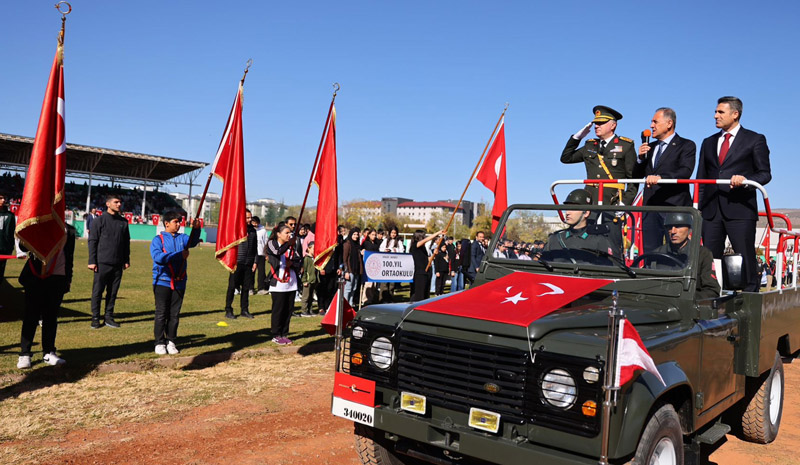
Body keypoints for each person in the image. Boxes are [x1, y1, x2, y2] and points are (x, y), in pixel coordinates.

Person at [697, 96, 771, 292]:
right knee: (710, 260)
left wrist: (745, 180)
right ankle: (710, 298)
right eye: (715, 111)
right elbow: (701, 179)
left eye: (720, 112)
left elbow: (765, 174)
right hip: (711, 211)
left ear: (735, 114)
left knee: (745, 257)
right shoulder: (708, 142)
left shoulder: (755, 139)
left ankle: (749, 301)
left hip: (740, 210)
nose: (715, 116)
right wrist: (699, 209)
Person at [634, 108, 697, 252]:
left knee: (676, 250)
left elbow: (685, 171)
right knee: (650, 250)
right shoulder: (649, 147)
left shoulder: (686, 145)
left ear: (669, 123)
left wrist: (661, 178)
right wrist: (640, 158)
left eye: (655, 122)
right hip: (651, 208)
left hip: (674, 206)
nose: (651, 126)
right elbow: (636, 176)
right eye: (651, 122)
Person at [17, 224, 75, 369]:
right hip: (36, 277)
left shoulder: (70, 230)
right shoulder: (37, 225)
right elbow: (24, 247)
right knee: (31, 316)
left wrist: (68, 279)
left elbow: (69, 256)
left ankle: (49, 352)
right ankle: (25, 353)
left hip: (57, 278)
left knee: (51, 317)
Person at [561, 106, 638, 206]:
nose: (596, 126)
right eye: (596, 123)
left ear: (613, 125)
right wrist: (577, 137)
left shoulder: (626, 146)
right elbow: (566, 158)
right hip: (590, 201)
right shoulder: (590, 145)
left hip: (613, 202)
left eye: (601, 123)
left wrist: (624, 204)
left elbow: (633, 178)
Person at [150, 213, 202, 355]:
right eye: (175, 221)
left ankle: (171, 341)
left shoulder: (182, 238)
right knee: (161, 313)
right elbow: (158, 257)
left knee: (174, 314)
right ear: (166, 223)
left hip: (179, 282)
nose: (178, 224)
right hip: (162, 281)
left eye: (179, 222)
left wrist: (196, 229)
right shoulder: (158, 239)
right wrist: (178, 256)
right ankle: (159, 342)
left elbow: (192, 241)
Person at [649, 213, 721, 300]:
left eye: (678, 226)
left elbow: (712, 291)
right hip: (660, 303)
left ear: (689, 230)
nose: (673, 231)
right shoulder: (656, 254)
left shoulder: (702, 254)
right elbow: (646, 284)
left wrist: (688, 298)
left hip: (688, 305)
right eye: (669, 227)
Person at [88, 194, 131, 329]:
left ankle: (108, 317)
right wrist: (92, 261)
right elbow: (92, 241)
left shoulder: (123, 222)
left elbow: (126, 243)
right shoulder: (99, 221)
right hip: (102, 263)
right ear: (108, 204)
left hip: (118, 263)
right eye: (116, 202)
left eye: (120, 202)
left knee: (113, 292)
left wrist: (126, 260)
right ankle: (95, 318)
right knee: (98, 291)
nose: (119, 204)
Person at [543, 189, 619, 261]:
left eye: (573, 208)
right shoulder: (555, 239)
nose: (568, 213)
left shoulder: (599, 241)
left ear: (586, 213)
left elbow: (607, 269)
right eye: (567, 208)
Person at [267, 224, 302, 345]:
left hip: (291, 282)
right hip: (278, 283)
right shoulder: (272, 243)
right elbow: (277, 252)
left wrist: (291, 264)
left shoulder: (293, 246)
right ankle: (276, 334)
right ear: (278, 234)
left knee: (288, 309)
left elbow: (298, 261)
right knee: (279, 309)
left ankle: (284, 333)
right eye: (287, 233)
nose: (289, 235)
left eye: (290, 233)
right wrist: (289, 244)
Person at [224, 209, 257, 319]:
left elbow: (255, 248)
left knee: (246, 288)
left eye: (250, 217)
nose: (249, 220)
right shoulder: (236, 230)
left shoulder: (253, 231)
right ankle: (228, 309)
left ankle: (244, 309)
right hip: (237, 262)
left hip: (248, 263)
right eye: (247, 217)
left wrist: (255, 261)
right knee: (232, 286)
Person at [410, 229, 445, 302]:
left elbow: (427, 259)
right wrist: (438, 233)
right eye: (423, 237)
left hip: (426, 272)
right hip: (420, 274)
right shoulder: (415, 246)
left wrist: (434, 255)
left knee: (426, 295)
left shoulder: (423, 248)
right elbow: (426, 240)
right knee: (419, 295)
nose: (424, 238)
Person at [342, 227, 363, 306]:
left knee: (353, 289)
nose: (356, 236)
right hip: (350, 270)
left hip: (356, 270)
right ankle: (345, 305)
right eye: (354, 234)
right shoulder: (347, 244)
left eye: (357, 234)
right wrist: (346, 271)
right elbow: (344, 259)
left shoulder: (357, 245)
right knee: (348, 289)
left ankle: (350, 305)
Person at [360, 228, 381, 305]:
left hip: (375, 266)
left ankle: (371, 299)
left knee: (374, 285)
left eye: (375, 235)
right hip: (367, 266)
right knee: (368, 284)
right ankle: (365, 300)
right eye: (372, 234)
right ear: (369, 235)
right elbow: (361, 250)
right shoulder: (366, 243)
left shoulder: (376, 243)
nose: (374, 236)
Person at [300, 242, 318, 317]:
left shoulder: (314, 259)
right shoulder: (306, 259)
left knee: (311, 296)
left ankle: (310, 310)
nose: (315, 250)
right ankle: (304, 311)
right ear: (309, 248)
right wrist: (304, 280)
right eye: (313, 249)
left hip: (313, 280)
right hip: (307, 281)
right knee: (305, 297)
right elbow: (304, 271)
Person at [0, 194, 15, 282]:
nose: (3, 200)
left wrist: (10, 248)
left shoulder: (10, 216)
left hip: (3, 249)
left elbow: (12, 233)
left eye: (4, 198)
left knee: (1, 273)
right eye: (0, 198)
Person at [254, 216, 269, 295]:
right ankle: (250, 288)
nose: (255, 224)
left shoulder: (263, 231)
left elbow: (266, 242)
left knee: (261, 272)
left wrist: (266, 253)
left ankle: (261, 288)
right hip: (252, 254)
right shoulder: (250, 230)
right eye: (254, 222)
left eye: (256, 222)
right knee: (251, 272)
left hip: (261, 254)